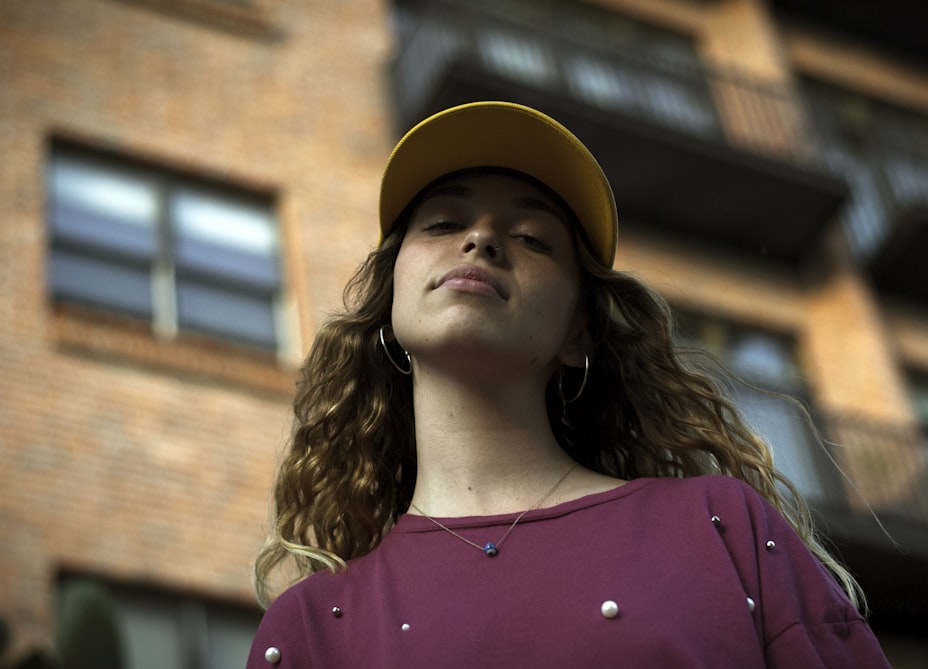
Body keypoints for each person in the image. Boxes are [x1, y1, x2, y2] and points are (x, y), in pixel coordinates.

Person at [246, 101, 891, 668]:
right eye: (443, 224)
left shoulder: (722, 528)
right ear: (390, 299)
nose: (481, 239)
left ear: (579, 333)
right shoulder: (310, 628)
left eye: (531, 238)